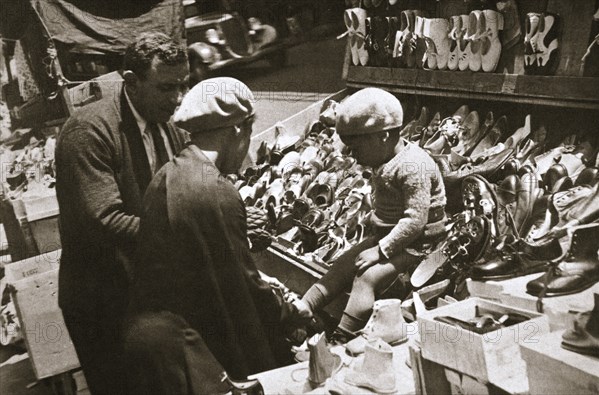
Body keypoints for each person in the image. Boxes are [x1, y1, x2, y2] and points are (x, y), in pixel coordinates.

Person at [124, 77, 298, 394]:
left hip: (158, 346)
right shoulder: (216, 191)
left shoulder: (168, 174)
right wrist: (290, 312)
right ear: (237, 130)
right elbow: (242, 290)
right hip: (195, 350)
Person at [54, 32, 189, 394]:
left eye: (183, 86)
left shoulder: (167, 125)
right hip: (102, 303)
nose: (177, 99)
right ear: (131, 83)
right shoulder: (88, 131)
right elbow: (106, 220)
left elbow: (191, 184)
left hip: (146, 293)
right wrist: (187, 233)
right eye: (166, 88)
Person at [294, 88, 448, 342]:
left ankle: (343, 335)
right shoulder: (384, 157)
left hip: (420, 243)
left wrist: (380, 251)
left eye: (356, 148)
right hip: (388, 234)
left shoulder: (413, 166)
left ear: (384, 137)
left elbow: (415, 221)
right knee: (344, 264)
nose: (352, 155)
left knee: (367, 277)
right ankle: (304, 307)